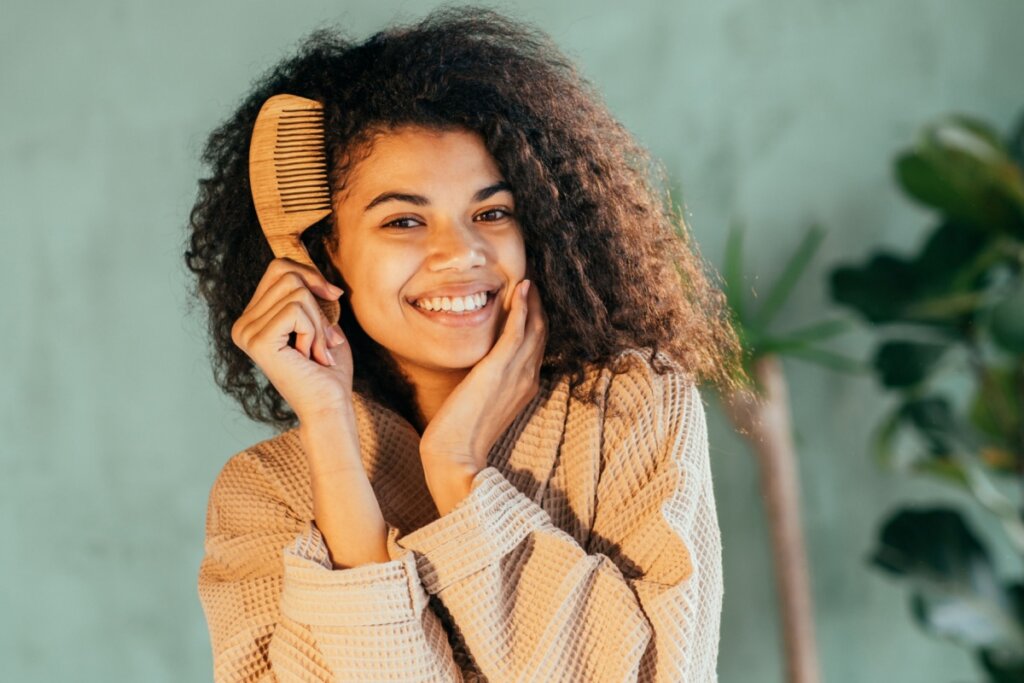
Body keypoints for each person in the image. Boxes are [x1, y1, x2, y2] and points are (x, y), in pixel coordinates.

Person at [184, 6, 744, 681]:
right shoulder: (264, 494)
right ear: (326, 255)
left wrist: (458, 471)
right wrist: (330, 428)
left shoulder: (631, 408)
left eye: (493, 212)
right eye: (404, 220)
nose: (461, 251)